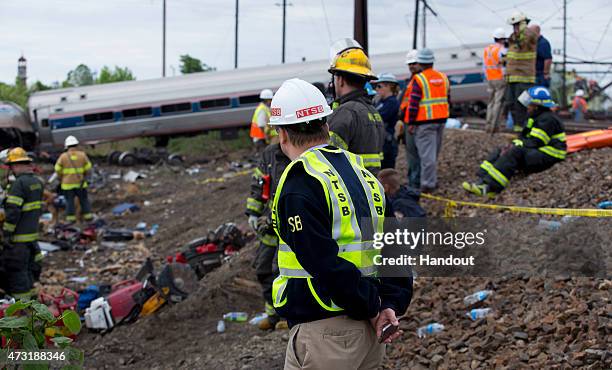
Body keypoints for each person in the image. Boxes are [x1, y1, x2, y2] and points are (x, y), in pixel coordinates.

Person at [268, 78, 412, 369]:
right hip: (371, 333)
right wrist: (390, 304)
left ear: (282, 134)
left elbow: (323, 263)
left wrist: (373, 307)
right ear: (327, 125)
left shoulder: (301, 182)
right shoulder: (362, 172)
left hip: (327, 334)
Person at [462, 86, 566, 197]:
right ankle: (481, 180)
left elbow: (536, 142)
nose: (527, 107)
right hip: (540, 151)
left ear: (537, 106)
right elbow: (525, 138)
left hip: (551, 154)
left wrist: (518, 145)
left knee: (515, 152)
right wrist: (513, 144)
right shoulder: (536, 117)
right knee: (501, 150)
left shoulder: (547, 119)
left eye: (529, 104)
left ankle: (490, 187)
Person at [245, 143, 291, 330]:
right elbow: (259, 183)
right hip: (272, 225)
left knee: (282, 271)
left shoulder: (304, 155)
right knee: (264, 269)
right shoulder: (270, 154)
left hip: (291, 227)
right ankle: (273, 316)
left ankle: (287, 316)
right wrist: (253, 212)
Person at [327, 43, 386, 174]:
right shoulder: (374, 112)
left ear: (340, 79)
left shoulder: (345, 113)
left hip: (348, 187)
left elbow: (327, 159)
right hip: (371, 186)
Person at [1, 148, 44, 299]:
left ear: (17, 165)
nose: (11, 170)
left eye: (12, 166)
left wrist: (6, 234)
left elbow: (13, 213)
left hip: (18, 241)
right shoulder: (37, 183)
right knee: (29, 273)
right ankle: (33, 305)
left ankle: (22, 311)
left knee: (17, 275)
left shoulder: (19, 184)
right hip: (32, 239)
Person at [405, 48, 450, 193]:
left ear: (420, 63)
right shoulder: (443, 77)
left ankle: (428, 185)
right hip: (441, 120)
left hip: (424, 122)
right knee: (433, 153)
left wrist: (411, 122)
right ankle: (431, 181)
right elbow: (448, 99)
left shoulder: (419, 79)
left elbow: (413, 103)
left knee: (426, 156)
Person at [505, 12, 538, 131]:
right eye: (513, 26)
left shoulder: (529, 37)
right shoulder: (513, 39)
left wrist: (524, 29)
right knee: (510, 104)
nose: (515, 28)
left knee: (522, 104)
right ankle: (517, 127)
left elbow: (530, 37)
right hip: (512, 78)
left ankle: (524, 129)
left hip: (525, 78)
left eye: (517, 25)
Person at [54, 135, 93, 223]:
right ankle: (88, 217)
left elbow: (57, 169)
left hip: (67, 184)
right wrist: (84, 176)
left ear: (66, 146)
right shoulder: (82, 155)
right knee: (84, 200)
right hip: (81, 183)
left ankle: (70, 219)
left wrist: (61, 178)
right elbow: (88, 168)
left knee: (69, 202)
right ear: (77, 145)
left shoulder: (63, 156)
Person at [400, 49, 423, 189]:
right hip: (409, 121)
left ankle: (415, 183)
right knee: (412, 154)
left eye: (414, 63)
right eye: (410, 64)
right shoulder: (412, 80)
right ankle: (413, 180)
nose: (412, 66)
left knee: (415, 155)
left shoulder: (419, 80)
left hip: (415, 122)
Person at [373, 73, 400, 169]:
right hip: (381, 141)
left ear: (389, 86)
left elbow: (378, 118)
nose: (377, 89)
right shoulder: (380, 102)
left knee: (386, 169)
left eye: (379, 86)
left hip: (388, 143)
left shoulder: (392, 103)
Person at [483, 28, 508, 134]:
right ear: (502, 39)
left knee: (490, 103)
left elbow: (484, 66)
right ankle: (494, 127)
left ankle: (488, 125)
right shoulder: (502, 50)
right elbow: (504, 65)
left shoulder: (487, 49)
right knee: (498, 103)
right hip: (499, 78)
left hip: (490, 78)